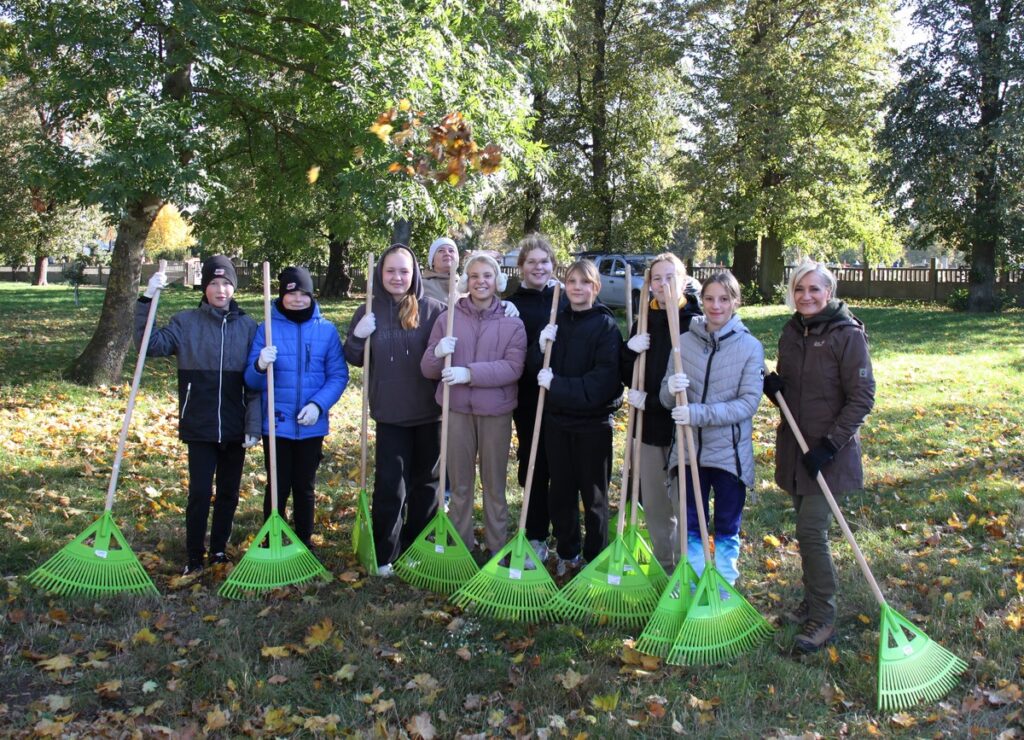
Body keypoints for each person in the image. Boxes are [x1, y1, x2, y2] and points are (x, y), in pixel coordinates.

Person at [763, 260, 875, 653]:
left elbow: (862, 398)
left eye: (814, 289)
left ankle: (823, 617)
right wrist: (774, 389)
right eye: (799, 290)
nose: (806, 296)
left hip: (829, 453)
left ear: (830, 292)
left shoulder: (848, 335)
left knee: (812, 532)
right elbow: (793, 390)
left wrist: (830, 446)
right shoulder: (792, 332)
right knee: (806, 533)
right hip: (796, 449)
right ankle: (809, 602)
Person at [134, 256, 260, 576]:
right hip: (200, 422)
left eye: (227, 283)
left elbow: (257, 385)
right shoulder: (185, 322)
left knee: (229, 492)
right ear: (204, 287)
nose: (221, 289)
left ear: (235, 286)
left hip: (235, 423)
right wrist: (147, 300)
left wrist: (253, 424)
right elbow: (149, 345)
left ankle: (218, 549)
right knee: (201, 492)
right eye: (215, 283)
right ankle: (194, 553)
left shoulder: (248, 327)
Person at [343, 244, 445, 576]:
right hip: (390, 414)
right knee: (390, 484)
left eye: (404, 271)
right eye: (391, 271)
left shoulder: (434, 310)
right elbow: (355, 357)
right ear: (380, 274)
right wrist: (358, 338)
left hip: (430, 411)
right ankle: (386, 552)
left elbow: (468, 328)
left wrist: (507, 309)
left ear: (414, 273)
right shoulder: (367, 311)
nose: (398, 277)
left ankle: (418, 548)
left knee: (426, 485)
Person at [658, 271, 763, 588]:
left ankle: (724, 585)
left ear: (735, 302)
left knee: (727, 523)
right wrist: (670, 389)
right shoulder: (684, 342)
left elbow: (747, 403)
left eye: (724, 299)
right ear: (700, 301)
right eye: (709, 298)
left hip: (729, 454)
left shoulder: (750, 346)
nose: (716, 306)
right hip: (689, 453)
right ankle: (694, 583)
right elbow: (666, 396)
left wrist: (697, 413)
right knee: (691, 522)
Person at [421, 252, 526, 556]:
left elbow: (512, 368)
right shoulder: (448, 318)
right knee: (461, 486)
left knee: (494, 487)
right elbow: (427, 370)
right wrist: (438, 352)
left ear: (498, 281)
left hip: (495, 413)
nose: (481, 281)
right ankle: (462, 549)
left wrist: (469, 374)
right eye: (475, 276)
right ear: (466, 281)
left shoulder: (512, 322)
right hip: (456, 412)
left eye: (488, 276)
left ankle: (497, 550)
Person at [530, 259, 623, 576]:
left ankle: (596, 557)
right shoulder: (556, 320)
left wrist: (558, 385)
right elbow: (535, 370)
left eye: (584, 282)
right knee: (561, 492)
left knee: (594, 496)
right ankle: (568, 552)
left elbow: (603, 382)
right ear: (564, 286)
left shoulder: (606, 326)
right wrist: (540, 346)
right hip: (557, 423)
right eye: (571, 281)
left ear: (595, 288)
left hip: (593, 426)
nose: (577, 288)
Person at [244, 266, 348, 550]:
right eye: (292, 293)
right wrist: (260, 364)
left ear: (311, 295)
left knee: (305, 486)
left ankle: (304, 541)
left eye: (304, 293)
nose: (298, 299)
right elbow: (251, 380)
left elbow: (338, 375)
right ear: (282, 295)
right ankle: (271, 538)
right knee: (277, 486)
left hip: (311, 423)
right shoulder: (266, 327)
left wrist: (318, 404)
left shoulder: (325, 330)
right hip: (277, 424)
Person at [620, 253, 702, 571]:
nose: (663, 284)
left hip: (683, 426)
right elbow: (629, 375)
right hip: (648, 427)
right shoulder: (644, 318)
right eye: (657, 278)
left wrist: (652, 400)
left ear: (683, 280)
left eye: (671, 277)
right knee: (654, 503)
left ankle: (687, 569)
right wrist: (630, 351)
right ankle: (665, 566)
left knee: (683, 503)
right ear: (649, 284)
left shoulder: (696, 320)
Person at [505, 234, 567, 562]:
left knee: (563, 466)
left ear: (553, 264)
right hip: (529, 397)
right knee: (534, 464)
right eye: (532, 262)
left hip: (565, 397)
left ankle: (566, 534)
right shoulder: (514, 305)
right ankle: (536, 533)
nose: (538, 267)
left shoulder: (566, 298)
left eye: (544, 261)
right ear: (521, 267)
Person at [421, 237, 460, 303]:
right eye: (441, 251)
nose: (447, 253)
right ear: (432, 261)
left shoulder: (467, 286)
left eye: (451, 251)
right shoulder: (421, 286)